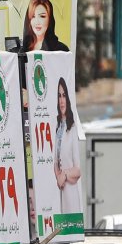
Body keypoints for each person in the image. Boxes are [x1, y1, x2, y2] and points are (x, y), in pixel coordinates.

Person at [53, 78, 82, 215]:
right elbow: (55, 160)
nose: (61, 100)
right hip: (59, 190)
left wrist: (64, 175)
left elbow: (77, 169)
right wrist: (58, 176)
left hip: (70, 192)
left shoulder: (73, 128)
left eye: (64, 95)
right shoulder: (58, 127)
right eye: (59, 96)